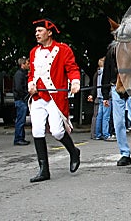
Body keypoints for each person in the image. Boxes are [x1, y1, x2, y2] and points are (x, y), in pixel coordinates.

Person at [27, 18, 81, 183]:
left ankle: (73, 152)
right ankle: (44, 170)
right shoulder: (33, 52)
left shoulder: (63, 49)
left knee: (57, 131)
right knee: (37, 131)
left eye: (40, 31)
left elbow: (72, 68)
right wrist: (31, 84)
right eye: (36, 32)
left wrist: (75, 82)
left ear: (49, 32)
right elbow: (32, 73)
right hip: (38, 97)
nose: (37, 34)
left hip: (55, 97)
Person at [102, 44, 131, 166]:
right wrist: (105, 95)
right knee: (119, 122)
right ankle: (125, 153)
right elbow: (106, 71)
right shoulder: (112, 51)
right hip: (115, 87)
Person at [87, 57, 115, 141]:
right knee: (106, 117)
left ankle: (98, 134)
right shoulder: (106, 73)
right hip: (105, 97)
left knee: (99, 116)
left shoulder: (97, 73)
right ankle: (106, 134)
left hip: (99, 96)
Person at [12, 57, 31, 146]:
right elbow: (19, 88)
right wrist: (25, 96)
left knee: (21, 119)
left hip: (21, 99)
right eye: (27, 63)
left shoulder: (21, 74)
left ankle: (20, 138)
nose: (29, 65)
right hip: (20, 100)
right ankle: (18, 138)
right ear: (22, 64)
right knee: (20, 120)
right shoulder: (19, 74)